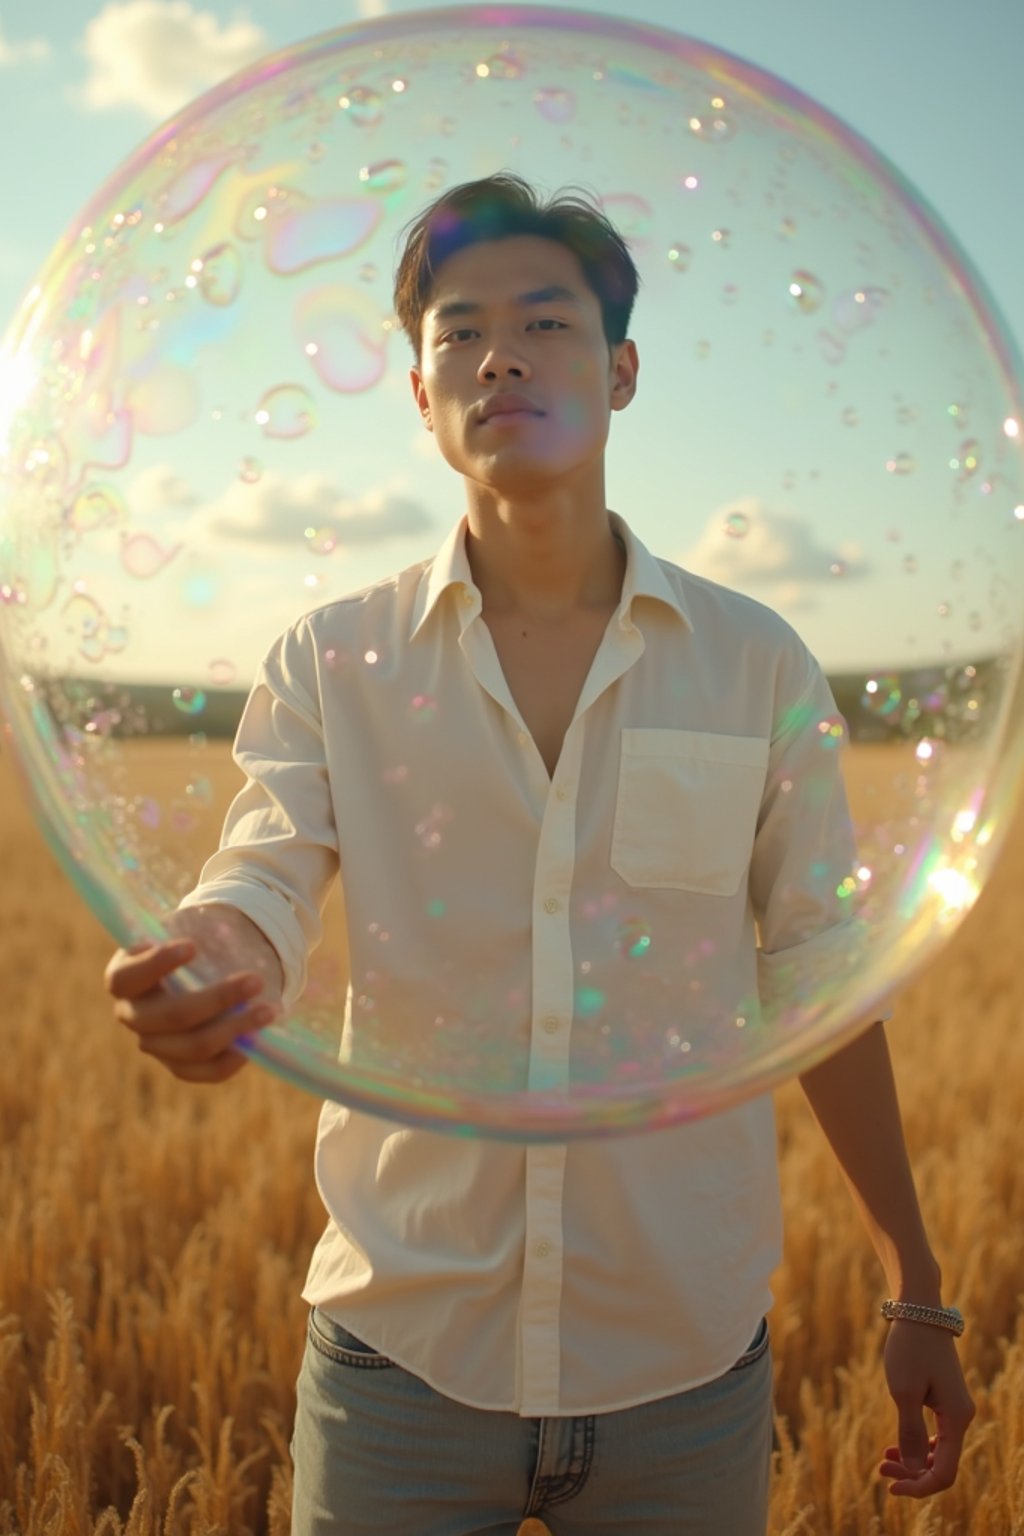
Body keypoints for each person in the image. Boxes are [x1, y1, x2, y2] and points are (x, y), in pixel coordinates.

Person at [105, 173, 975, 1535]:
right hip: (401, 1364)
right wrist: (222, 953)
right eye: (459, 331)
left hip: (685, 1376)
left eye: (548, 323)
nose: (500, 353)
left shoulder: (756, 664)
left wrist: (915, 1283)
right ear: (417, 395)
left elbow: (819, 984)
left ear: (622, 373)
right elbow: (263, 869)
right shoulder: (335, 659)